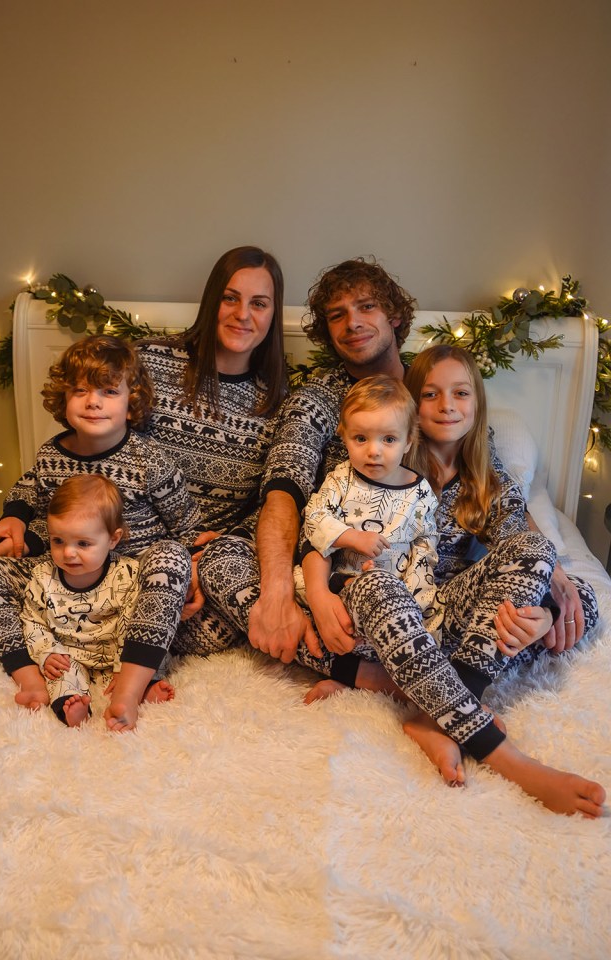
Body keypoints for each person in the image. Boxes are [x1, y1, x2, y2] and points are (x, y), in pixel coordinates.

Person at [199, 260, 605, 815]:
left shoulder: (458, 436)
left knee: (551, 577)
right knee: (252, 566)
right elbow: (293, 500)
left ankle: (424, 699)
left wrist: (548, 595)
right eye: (336, 315)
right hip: (357, 588)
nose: (352, 323)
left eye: (366, 307)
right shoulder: (340, 433)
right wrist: (302, 593)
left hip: (438, 603)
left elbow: (518, 532)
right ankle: (478, 733)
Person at [102, 244, 289, 729]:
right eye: (231, 298)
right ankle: (129, 643)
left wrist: (213, 554)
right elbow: (100, 454)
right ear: (212, 301)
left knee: (243, 613)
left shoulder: (276, 400)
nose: (243, 314)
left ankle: (130, 644)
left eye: (259, 303)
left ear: (274, 313)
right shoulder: (149, 364)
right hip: (134, 549)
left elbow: (269, 502)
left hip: (215, 567)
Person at [0, 335, 201, 718]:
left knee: (173, 557)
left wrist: (186, 567)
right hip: (63, 584)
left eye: (109, 391)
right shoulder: (51, 455)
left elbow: (188, 526)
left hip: (130, 591)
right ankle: (28, 675)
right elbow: (29, 495)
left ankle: (130, 686)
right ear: (64, 399)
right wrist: (17, 522)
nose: (93, 401)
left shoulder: (149, 459)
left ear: (132, 402)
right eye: (80, 390)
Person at [298, 375, 440, 638]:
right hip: (341, 585)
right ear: (345, 437)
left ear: (408, 441)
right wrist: (350, 537)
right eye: (361, 438)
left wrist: (409, 596)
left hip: (397, 595)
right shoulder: (341, 479)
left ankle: (406, 653)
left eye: (388, 439)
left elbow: (425, 548)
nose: (374, 451)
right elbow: (314, 518)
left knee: (430, 615)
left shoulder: (420, 494)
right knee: (298, 591)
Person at [21, 475, 166, 727]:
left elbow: (132, 620)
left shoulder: (127, 573)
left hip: (118, 652)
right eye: (58, 541)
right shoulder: (43, 577)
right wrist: (47, 653)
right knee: (60, 676)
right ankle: (74, 708)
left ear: (112, 539)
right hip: (69, 653)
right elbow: (32, 620)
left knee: (149, 655)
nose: (68, 552)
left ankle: (143, 689)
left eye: (83, 543)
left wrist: (123, 667)